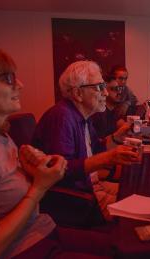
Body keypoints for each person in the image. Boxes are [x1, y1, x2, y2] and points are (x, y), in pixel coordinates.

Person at [0, 42, 110, 258]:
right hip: (22, 249)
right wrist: (39, 186)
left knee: (118, 247)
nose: (20, 85)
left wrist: (33, 170)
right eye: (8, 79)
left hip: (40, 232)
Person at [33, 61, 139, 217]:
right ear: (77, 93)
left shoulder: (84, 116)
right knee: (137, 213)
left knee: (138, 192)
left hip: (92, 185)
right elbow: (62, 170)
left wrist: (116, 138)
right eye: (99, 87)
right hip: (77, 200)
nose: (106, 93)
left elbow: (96, 148)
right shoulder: (62, 117)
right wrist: (109, 157)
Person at [91, 75, 125, 139]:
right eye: (114, 89)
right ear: (104, 91)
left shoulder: (113, 111)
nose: (119, 92)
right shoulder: (98, 114)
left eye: (119, 88)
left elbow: (123, 125)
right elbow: (99, 144)